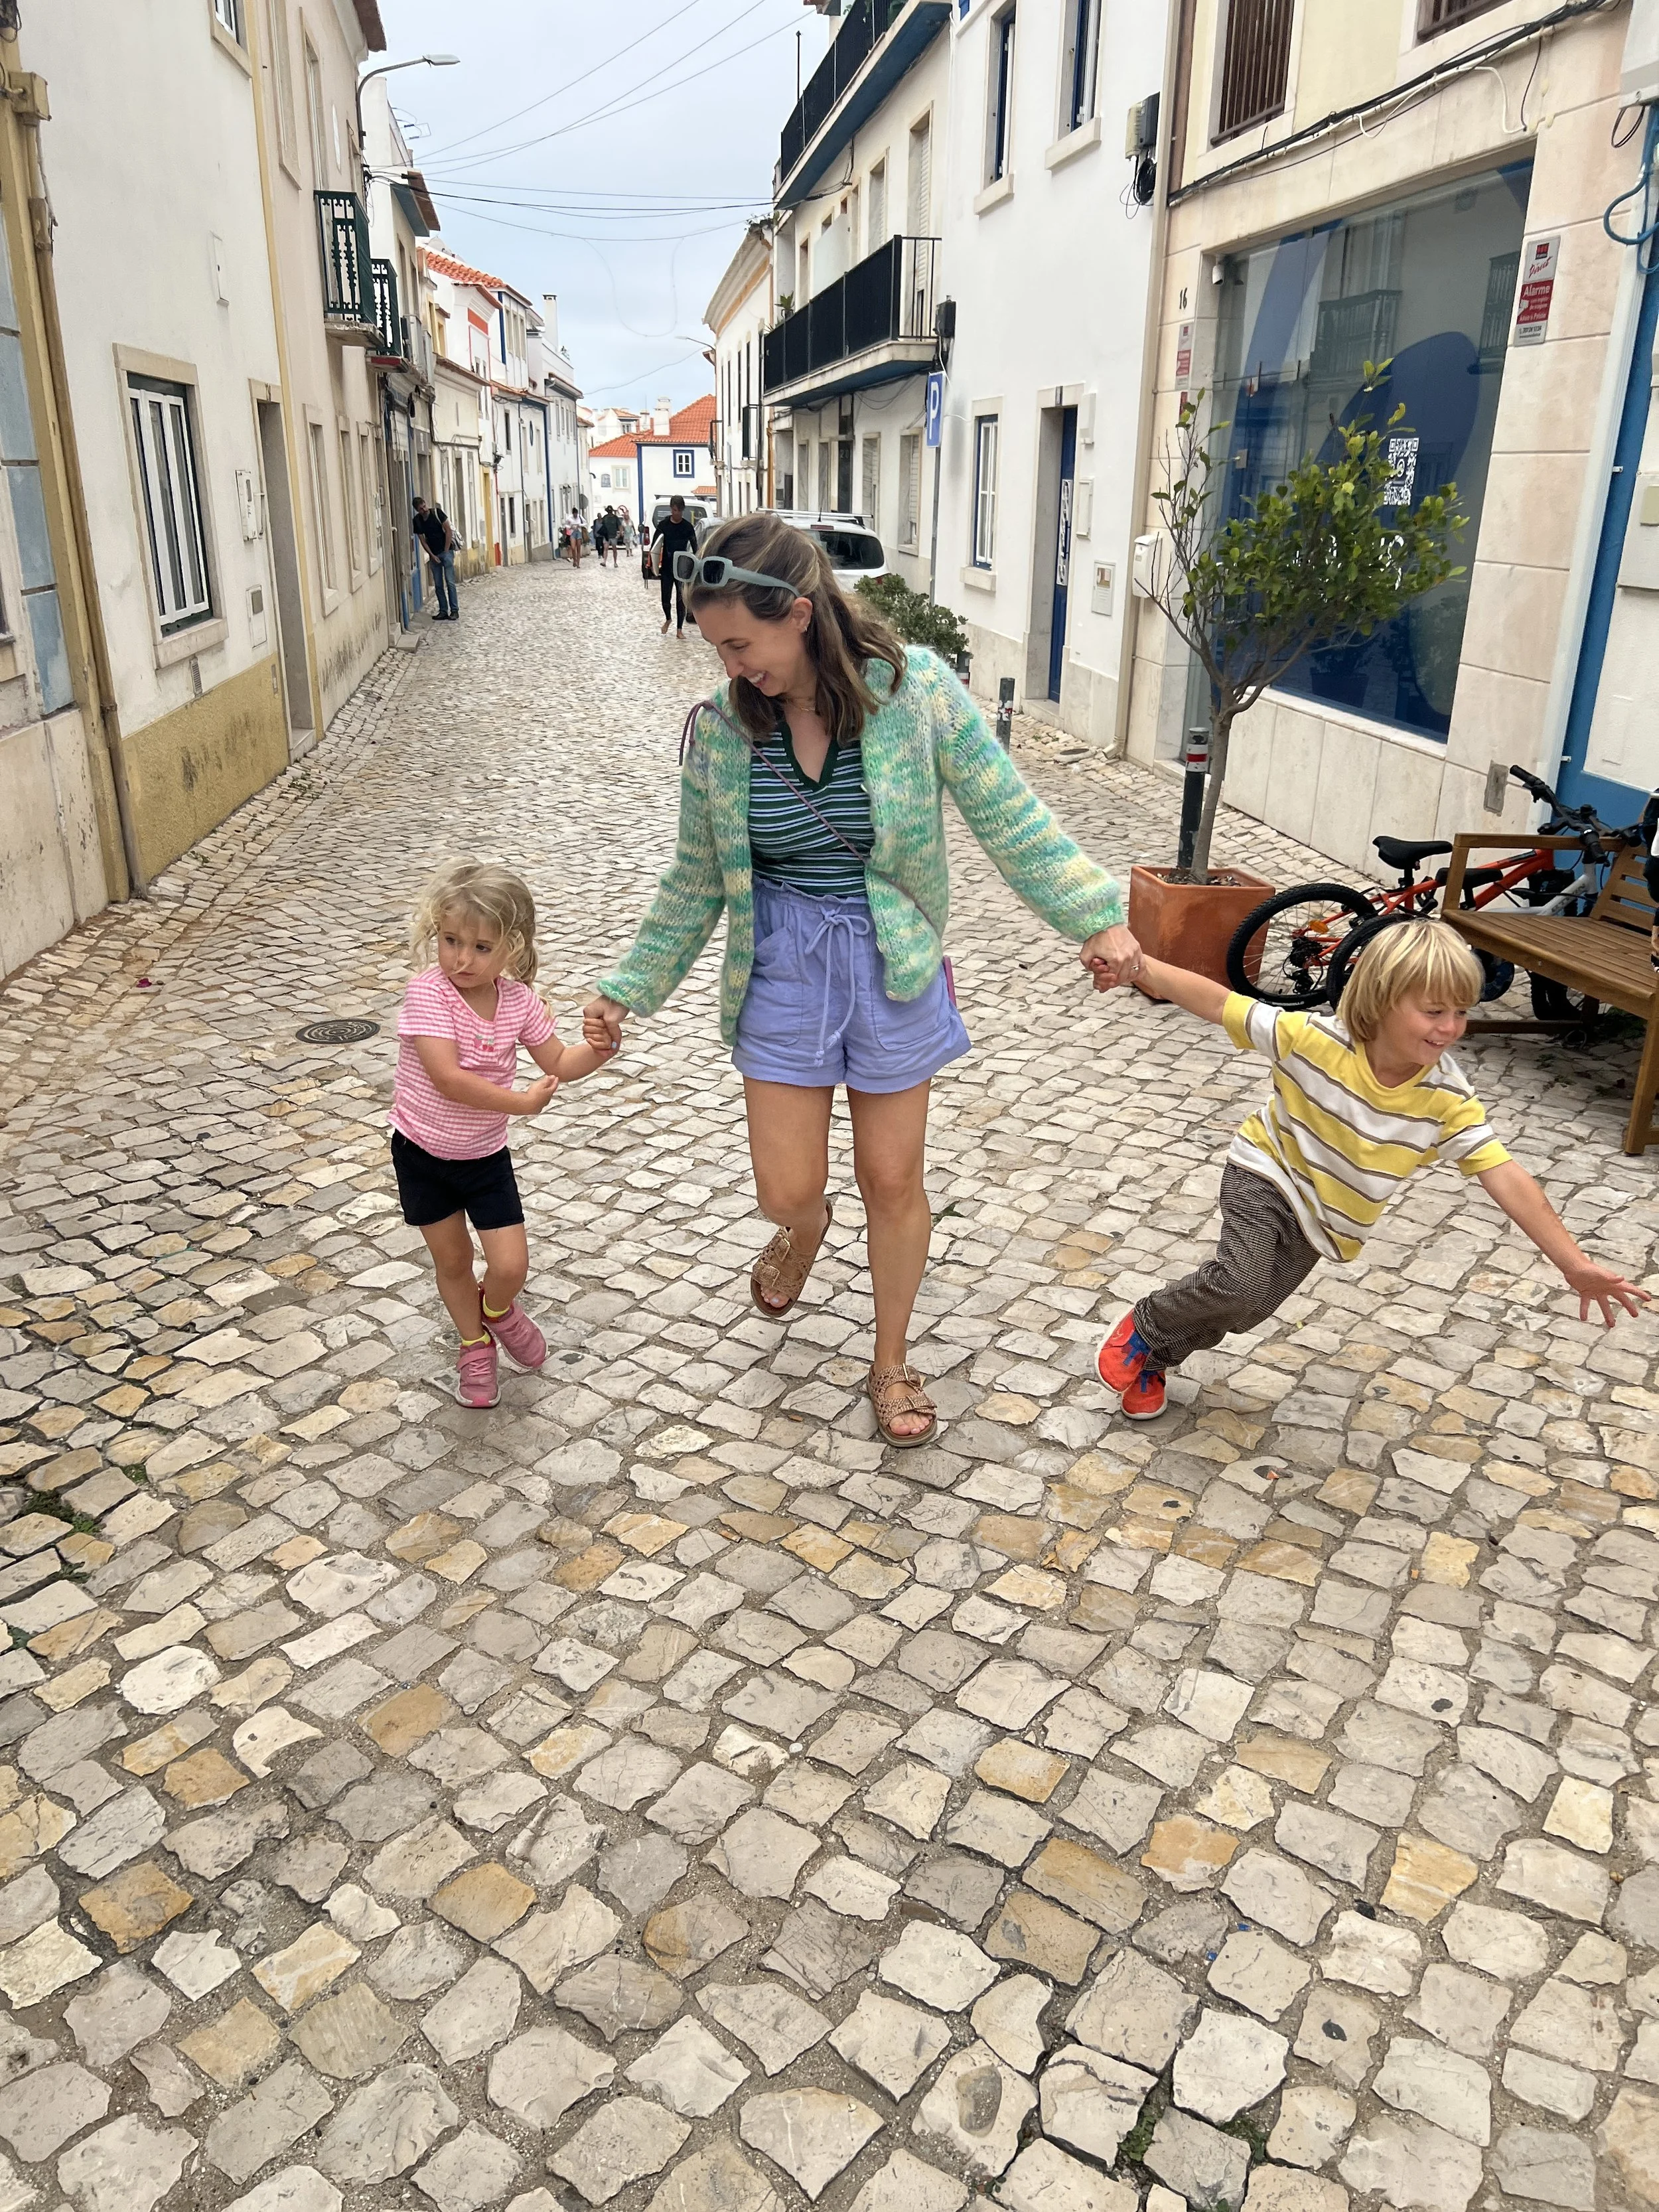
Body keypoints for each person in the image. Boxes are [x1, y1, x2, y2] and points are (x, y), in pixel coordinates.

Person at [583, 512, 1141, 1447]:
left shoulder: (914, 691)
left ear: (798, 615)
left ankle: (890, 1362)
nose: (729, 665)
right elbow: (692, 879)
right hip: (781, 962)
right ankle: (805, 1230)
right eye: (717, 645)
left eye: (739, 643)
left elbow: (1010, 812)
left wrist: (1095, 914)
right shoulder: (722, 732)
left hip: (891, 959)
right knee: (786, 1185)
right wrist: (627, 986)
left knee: (895, 1177)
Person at [1090, 917, 1649, 1421]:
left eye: (1461, 1011)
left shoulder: (1445, 1096)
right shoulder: (1312, 1040)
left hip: (1326, 1218)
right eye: (1434, 1011)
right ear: (1382, 1000)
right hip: (1268, 1173)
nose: (1451, 1027)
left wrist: (1573, 1263)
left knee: (1250, 1308)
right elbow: (1217, 1002)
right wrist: (1139, 965)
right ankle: (1146, 1326)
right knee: (1238, 1282)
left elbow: (1503, 1173)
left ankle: (1154, 1360)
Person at [392, 861, 613, 1408]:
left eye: (481, 947)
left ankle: (497, 1309)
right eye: (450, 941)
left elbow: (559, 1059)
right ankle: (474, 1345)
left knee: (510, 1264)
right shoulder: (429, 994)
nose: (462, 958)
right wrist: (520, 1102)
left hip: (484, 1158)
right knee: (453, 1262)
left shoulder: (517, 1003)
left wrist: (602, 1048)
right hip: (421, 1153)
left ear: (512, 948)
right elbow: (448, 1078)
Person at [652, 495, 698, 636]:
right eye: (673, 510)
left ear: (682, 510)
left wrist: (695, 565)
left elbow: (696, 548)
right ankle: (668, 619)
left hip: (682, 569)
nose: (674, 513)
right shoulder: (664, 525)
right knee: (665, 599)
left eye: (677, 510)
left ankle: (679, 630)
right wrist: (652, 564)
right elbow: (655, 546)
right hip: (666, 567)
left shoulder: (687, 527)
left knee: (680, 599)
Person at [413, 496, 458, 621]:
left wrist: (446, 550)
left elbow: (448, 531)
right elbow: (423, 541)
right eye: (421, 509)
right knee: (438, 585)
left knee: (450, 582)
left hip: (446, 551)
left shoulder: (437, 513)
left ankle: (454, 611)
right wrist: (432, 556)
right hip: (434, 554)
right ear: (417, 511)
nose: (424, 509)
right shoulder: (417, 521)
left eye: (424, 506)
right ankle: (443, 611)